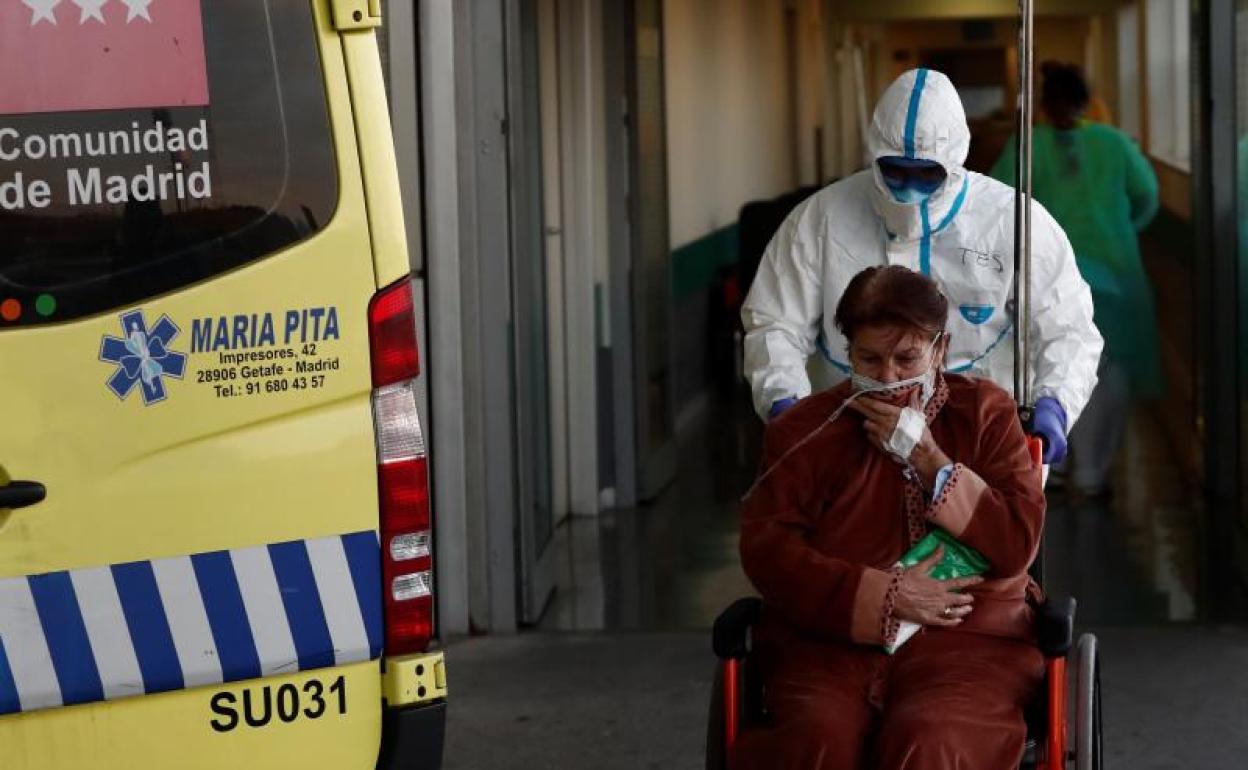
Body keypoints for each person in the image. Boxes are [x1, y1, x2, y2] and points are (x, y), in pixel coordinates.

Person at [733, 265, 1046, 770]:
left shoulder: (985, 412)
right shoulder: (805, 431)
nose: (888, 378)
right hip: (828, 643)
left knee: (932, 740)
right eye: (868, 359)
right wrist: (881, 596)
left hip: (971, 641)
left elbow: (1016, 544)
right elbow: (768, 552)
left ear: (939, 349)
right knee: (820, 742)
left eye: (907, 358)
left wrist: (933, 462)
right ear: (845, 353)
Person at [742, 68, 1102, 465]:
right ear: (874, 154)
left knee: (975, 523)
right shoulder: (820, 220)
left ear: (955, 160)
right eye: (894, 171)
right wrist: (784, 401)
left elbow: (1068, 330)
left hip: (978, 443)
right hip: (850, 439)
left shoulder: (1012, 223)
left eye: (927, 174)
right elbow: (775, 322)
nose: (908, 189)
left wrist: (1055, 404)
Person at [990, 62, 1160, 496]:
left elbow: (995, 204)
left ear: (1044, 103)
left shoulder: (1026, 147)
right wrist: (1120, 235)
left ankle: (1055, 463)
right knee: (1110, 372)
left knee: (1048, 366)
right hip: (1114, 276)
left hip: (1046, 278)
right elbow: (1147, 198)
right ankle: (1093, 473)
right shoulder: (1115, 144)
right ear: (1088, 101)